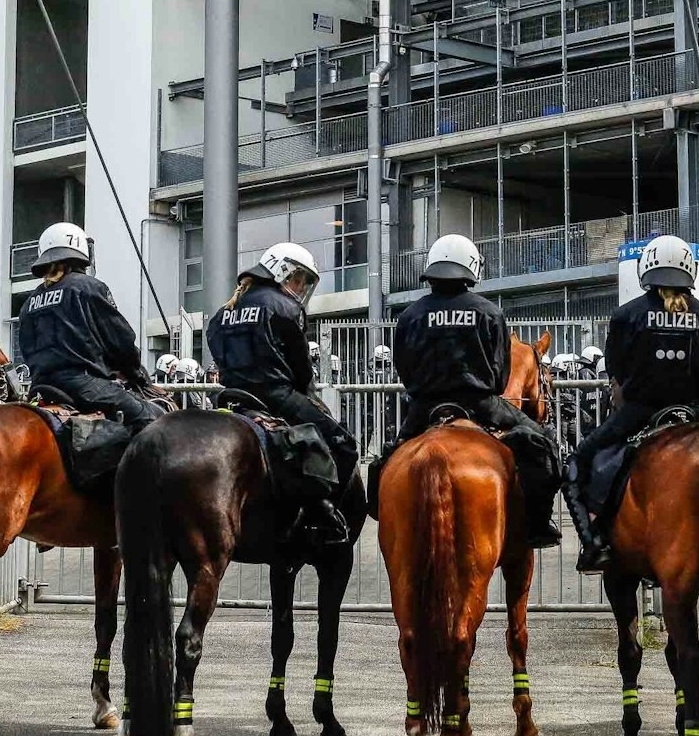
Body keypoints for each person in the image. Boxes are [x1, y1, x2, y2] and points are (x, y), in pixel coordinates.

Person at [382, 234, 562, 546]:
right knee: (544, 443)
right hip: (481, 403)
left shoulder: (409, 315)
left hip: (424, 407)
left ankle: (385, 516)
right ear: (471, 270)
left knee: (383, 462)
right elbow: (500, 373)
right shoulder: (489, 312)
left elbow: (404, 367)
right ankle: (539, 522)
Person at [564, 235, 699, 572]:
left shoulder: (627, 315)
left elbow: (617, 368)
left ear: (646, 268)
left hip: (639, 412)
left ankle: (594, 544)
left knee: (577, 462)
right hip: (692, 413)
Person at [207, 242, 354, 548]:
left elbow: (220, 357)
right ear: (282, 271)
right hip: (276, 395)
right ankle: (322, 512)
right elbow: (302, 369)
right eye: (298, 278)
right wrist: (306, 396)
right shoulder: (286, 308)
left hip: (232, 397)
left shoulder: (223, 313)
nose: (300, 286)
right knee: (344, 444)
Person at [15, 222, 161, 433]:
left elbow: (26, 350)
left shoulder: (28, 304)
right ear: (81, 252)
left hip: (41, 389)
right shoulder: (89, 287)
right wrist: (137, 376)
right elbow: (120, 340)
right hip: (85, 386)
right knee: (151, 421)